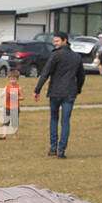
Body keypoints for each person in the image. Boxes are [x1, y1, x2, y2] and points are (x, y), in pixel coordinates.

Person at [33, 30, 84, 159]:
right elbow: (81, 76)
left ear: (64, 41)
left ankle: (53, 147)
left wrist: (37, 89)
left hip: (55, 92)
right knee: (65, 121)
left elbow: (45, 73)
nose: (54, 43)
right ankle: (62, 151)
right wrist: (77, 89)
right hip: (69, 93)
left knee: (54, 119)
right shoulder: (77, 57)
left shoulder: (55, 56)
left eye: (56, 41)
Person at [1, 68, 22, 139]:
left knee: (14, 122)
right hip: (7, 106)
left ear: (17, 79)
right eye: (11, 79)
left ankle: (14, 134)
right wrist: (3, 95)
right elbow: (2, 95)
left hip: (15, 107)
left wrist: (17, 98)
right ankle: (4, 135)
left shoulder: (19, 88)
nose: (12, 81)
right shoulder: (7, 87)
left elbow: (22, 97)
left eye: (14, 79)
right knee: (6, 121)